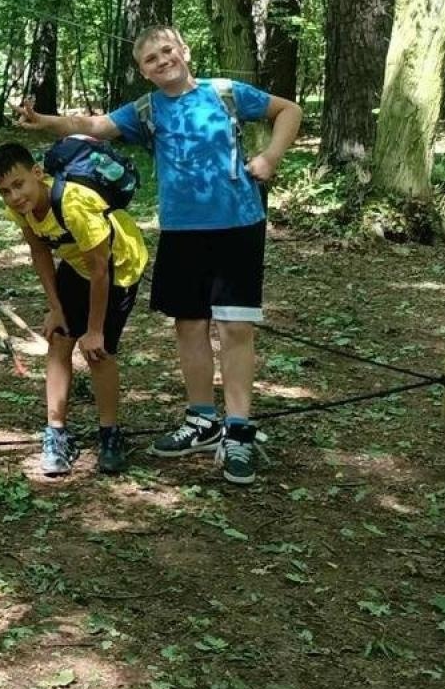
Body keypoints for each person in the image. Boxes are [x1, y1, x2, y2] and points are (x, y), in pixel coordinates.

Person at [17, 25, 302, 484]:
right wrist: (46, 121)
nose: (162, 60)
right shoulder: (146, 111)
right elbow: (92, 127)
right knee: (189, 325)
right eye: (150, 59)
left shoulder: (226, 93)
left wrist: (270, 157)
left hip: (237, 227)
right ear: (144, 72)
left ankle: (238, 432)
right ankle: (202, 419)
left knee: (234, 328)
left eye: (167, 50)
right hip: (182, 232)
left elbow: (289, 110)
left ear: (184, 51)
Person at [0, 142, 148, 477]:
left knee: (97, 352)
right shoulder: (21, 210)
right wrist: (56, 308)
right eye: (5, 191)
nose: (15, 196)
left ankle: (109, 434)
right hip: (77, 267)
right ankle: (56, 434)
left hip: (119, 267)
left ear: (37, 174)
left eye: (19, 185)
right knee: (59, 339)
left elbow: (101, 269)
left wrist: (94, 330)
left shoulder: (73, 204)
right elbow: (40, 254)